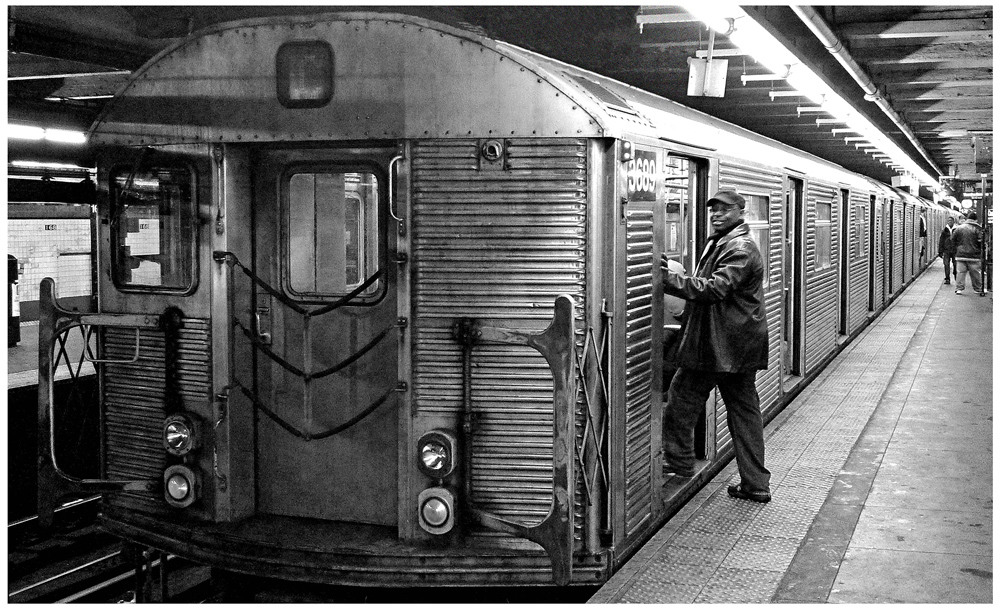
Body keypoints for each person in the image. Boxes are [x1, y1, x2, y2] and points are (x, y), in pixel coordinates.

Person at [660, 190, 771, 503]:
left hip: (724, 345)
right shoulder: (723, 241)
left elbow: (715, 288)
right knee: (744, 413)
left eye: (724, 209)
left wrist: (666, 279)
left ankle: (680, 467)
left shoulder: (741, 247)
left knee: (681, 397)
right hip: (737, 344)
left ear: (740, 211)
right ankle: (755, 483)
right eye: (713, 210)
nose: (717, 214)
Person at [952, 211, 984, 295]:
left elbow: (953, 239)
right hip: (974, 256)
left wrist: (958, 247)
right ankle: (977, 289)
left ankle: (959, 289)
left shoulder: (959, 228)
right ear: (975, 219)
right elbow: (981, 241)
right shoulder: (978, 228)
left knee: (960, 273)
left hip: (960, 255)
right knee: (975, 273)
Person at [938, 216, 958, 284]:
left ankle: (955, 274)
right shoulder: (944, 230)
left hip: (955, 250)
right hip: (946, 250)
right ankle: (947, 278)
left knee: (955, 264)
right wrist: (940, 251)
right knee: (946, 264)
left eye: (951, 221)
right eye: (948, 221)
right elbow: (941, 241)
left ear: (953, 221)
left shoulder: (957, 230)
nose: (949, 222)